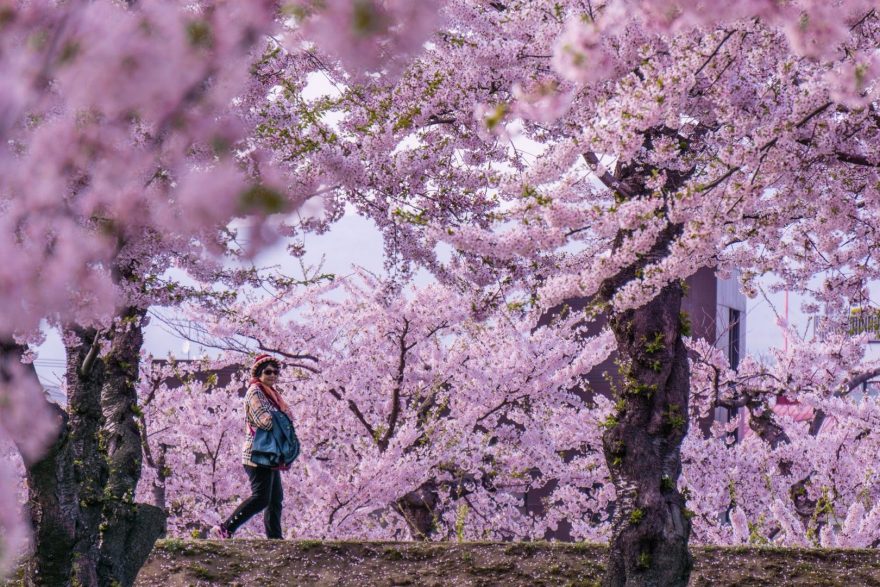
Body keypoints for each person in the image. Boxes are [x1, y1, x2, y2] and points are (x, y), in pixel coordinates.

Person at [215, 354, 293, 539]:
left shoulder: (272, 395)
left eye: (276, 372)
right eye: (268, 372)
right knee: (261, 497)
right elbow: (263, 420)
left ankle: (275, 538)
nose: (273, 375)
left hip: (270, 454)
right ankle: (226, 528)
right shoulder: (255, 392)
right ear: (259, 373)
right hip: (256, 454)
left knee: (275, 499)